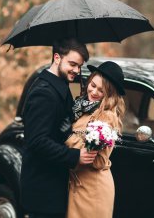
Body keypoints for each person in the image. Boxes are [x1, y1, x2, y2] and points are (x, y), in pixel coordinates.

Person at [20, 38, 98, 218]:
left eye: (79, 66)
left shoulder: (64, 85)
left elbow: (70, 115)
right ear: (57, 58)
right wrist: (75, 156)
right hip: (43, 189)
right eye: (72, 64)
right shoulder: (43, 92)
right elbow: (37, 141)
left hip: (55, 183)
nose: (76, 70)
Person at [65, 61, 126, 218]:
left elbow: (99, 160)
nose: (93, 92)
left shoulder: (107, 116)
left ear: (109, 94)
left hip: (93, 189)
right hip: (77, 185)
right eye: (92, 85)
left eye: (101, 90)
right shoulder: (80, 107)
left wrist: (66, 138)